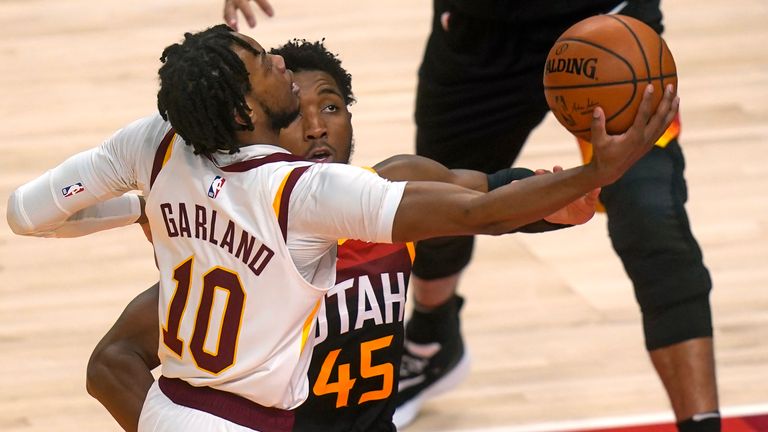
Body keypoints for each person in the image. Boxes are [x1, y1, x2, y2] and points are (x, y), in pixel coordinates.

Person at [6, 24, 677, 432]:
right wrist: (596, 171)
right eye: (295, 106)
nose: (316, 124)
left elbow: (487, 198)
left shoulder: (379, 183)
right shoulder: (293, 204)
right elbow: (109, 364)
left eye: (331, 105)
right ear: (257, 123)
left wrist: (564, 199)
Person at [382, 1, 718, 431]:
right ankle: (431, 339)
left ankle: (701, 424)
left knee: (652, 219)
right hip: (482, 31)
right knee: (442, 201)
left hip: (609, 26)